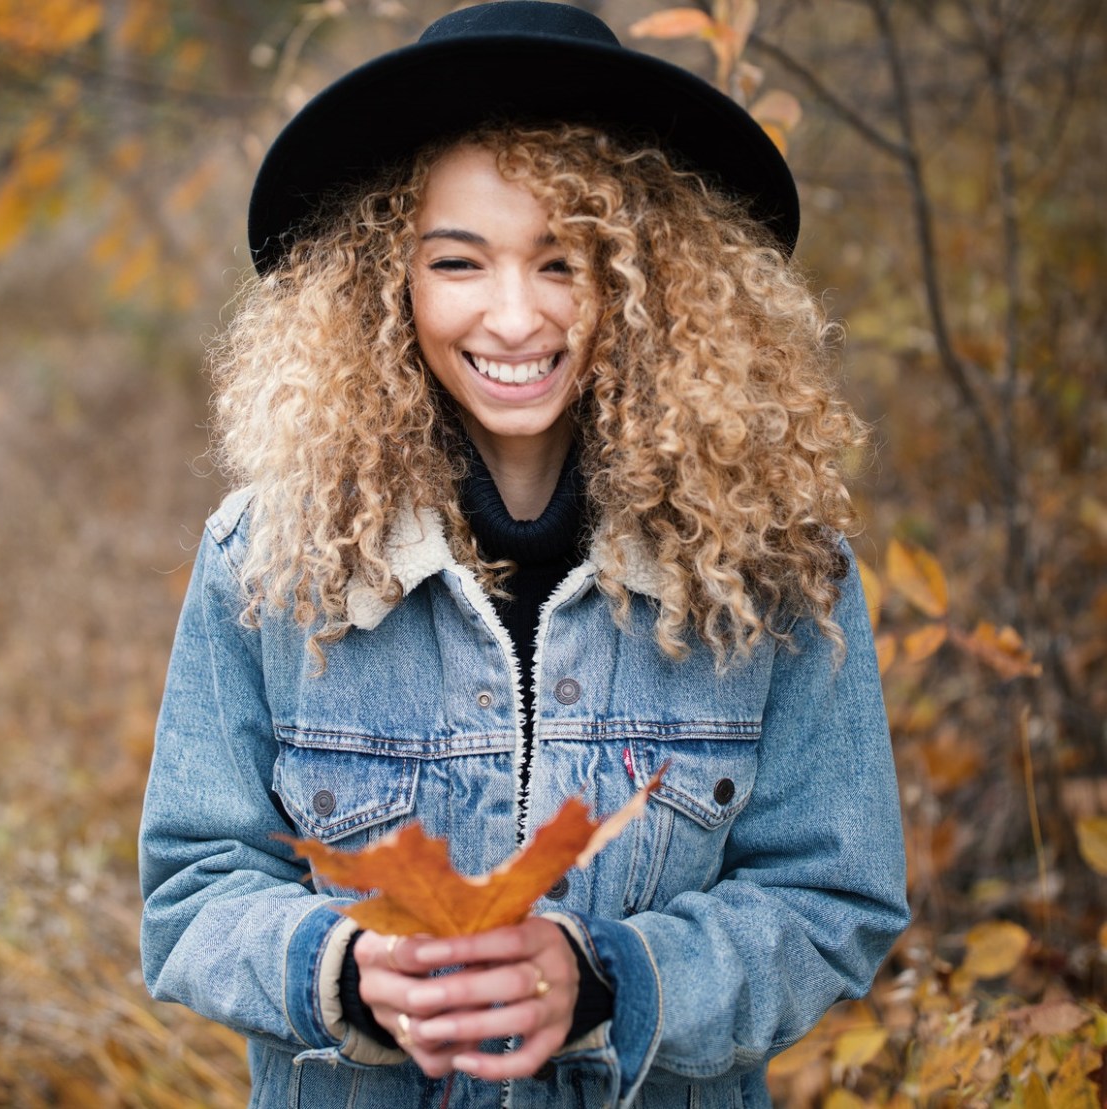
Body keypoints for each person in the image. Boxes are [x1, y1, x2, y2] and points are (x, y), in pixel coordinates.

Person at [138, 4, 910, 1107]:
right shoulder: (268, 559)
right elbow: (189, 893)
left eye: (563, 261)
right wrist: (350, 973)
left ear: (651, 284)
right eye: (458, 261)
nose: (512, 316)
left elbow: (833, 900)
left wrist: (611, 981)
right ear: (384, 282)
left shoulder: (776, 569)